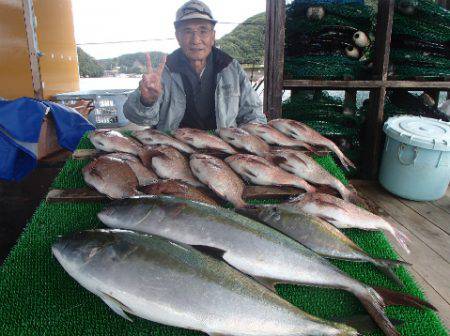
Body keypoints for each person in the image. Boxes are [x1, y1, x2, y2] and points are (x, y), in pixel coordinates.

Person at [123, 0, 267, 131]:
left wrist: (252, 139)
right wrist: (147, 101)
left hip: (222, 149)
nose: (196, 40)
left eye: (203, 30)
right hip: (174, 150)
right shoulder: (165, 70)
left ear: (213, 36)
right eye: (187, 31)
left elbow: (253, 114)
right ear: (178, 37)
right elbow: (137, 117)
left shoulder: (230, 67)